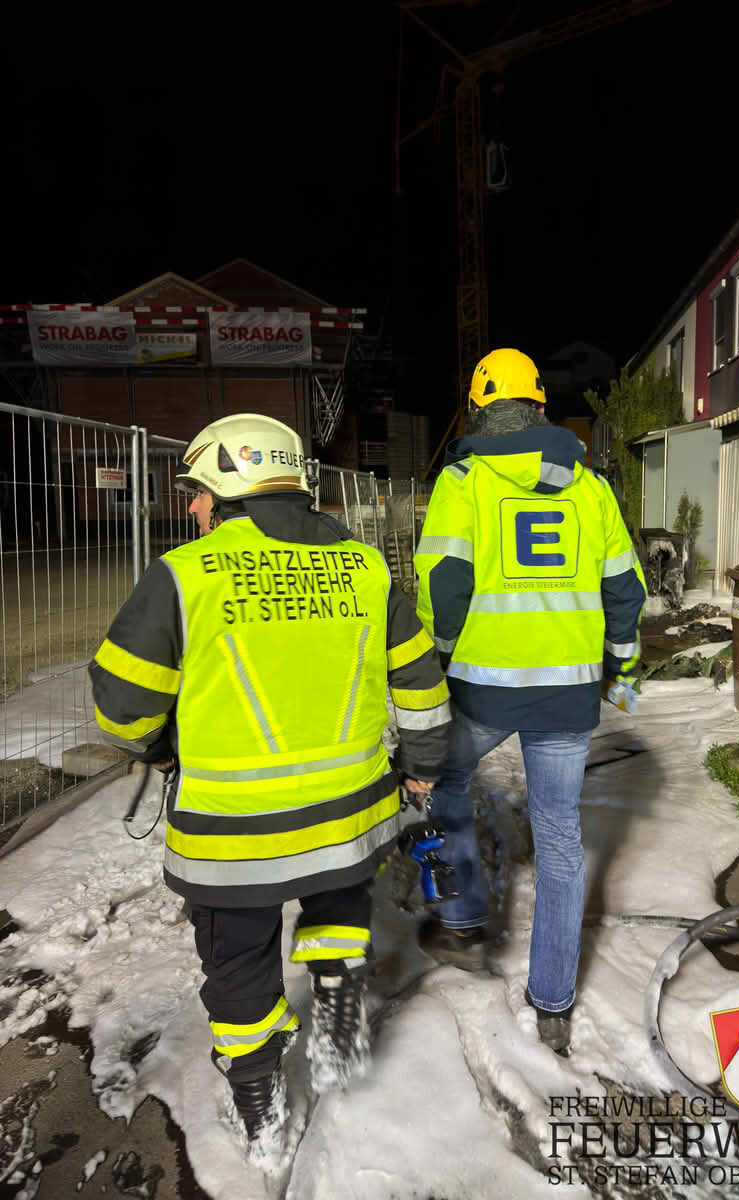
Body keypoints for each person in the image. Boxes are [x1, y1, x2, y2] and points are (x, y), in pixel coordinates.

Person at [89, 413, 449, 1149]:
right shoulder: (367, 569)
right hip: (348, 818)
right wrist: (420, 770)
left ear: (230, 485)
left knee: (239, 968)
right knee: (338, 921)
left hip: (233, 833)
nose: (194, 506)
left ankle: (262, 1111)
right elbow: (419, 683)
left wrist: (161, 750)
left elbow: (121, 707)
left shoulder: (184, 574)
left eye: (198, 491)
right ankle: (338, 1041)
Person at [413, 349, 646, 1055]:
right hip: (568, 696)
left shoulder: (463, 481)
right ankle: (552, 1002)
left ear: (478, 411)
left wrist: (438, 662)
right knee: (560, 839)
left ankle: (461, 923)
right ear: (542, 408)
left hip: (483, 690)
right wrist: (622, 664)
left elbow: (444, 584)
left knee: (443, 782)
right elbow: (623, 588)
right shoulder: (592, 487)